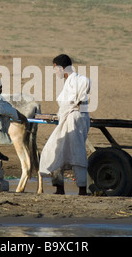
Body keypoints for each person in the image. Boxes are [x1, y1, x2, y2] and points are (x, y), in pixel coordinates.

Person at [39, 54, 91, 195]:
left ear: (61, 68)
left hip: (75, 120)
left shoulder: (81, 80)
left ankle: (82, 189)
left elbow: (77, 101)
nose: (55, 72)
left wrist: (66, 112)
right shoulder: (69, 82)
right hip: (67, 119)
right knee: (56, 151)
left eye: (55, 69)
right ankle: (59, 187)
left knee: (77, 153)